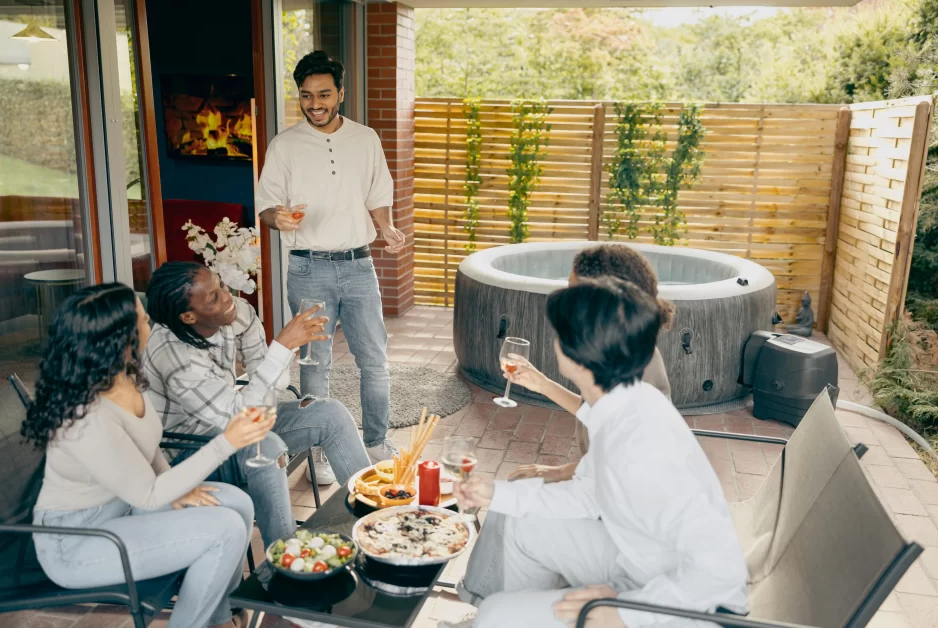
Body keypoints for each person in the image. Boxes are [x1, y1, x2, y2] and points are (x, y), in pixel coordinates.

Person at [450, 278, 748, 628]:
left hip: (686, 602)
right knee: (517, 524)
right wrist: (494, 493)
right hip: (639, 559)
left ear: (578, 354)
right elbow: (588, 494)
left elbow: (722, 572)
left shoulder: (641, 448)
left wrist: (623, 611)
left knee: (494, 616)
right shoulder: (625, 403)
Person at [23, 283, 272, 628]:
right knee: (224, 528)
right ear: (119, 340)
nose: (150, 326)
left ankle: (219, 615)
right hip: (78, 542)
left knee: (236, 503)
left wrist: (180, 487)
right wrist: (226, 442)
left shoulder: (122, 377)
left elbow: (148, 447)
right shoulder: (85, 418)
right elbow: (149, 493)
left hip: (124, 507)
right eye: (142, 321)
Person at [142, 262, 370, 550]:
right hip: (190, 451)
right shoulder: (174, 355)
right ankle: (284, 562)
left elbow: (270, 390)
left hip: (240, 422)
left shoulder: (237, 314)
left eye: (221, 285)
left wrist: (274, 363)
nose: (227, 298)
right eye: (213, 297)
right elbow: (237, 418)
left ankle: (374, 520)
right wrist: (283, 348)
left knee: (330, 413)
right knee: (267, 445)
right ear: (188, 316)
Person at [255, 50, 402, 470]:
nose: (314, 104)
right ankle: (319, 447)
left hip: (358, 265)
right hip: (308, 268)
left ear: (340, 92)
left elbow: (377, 195)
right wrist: (276, 217)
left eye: (323, 94)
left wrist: (386, 228)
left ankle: (376, 443)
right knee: (314, 363)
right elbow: (266, 206)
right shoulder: (284, 146)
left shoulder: (366, 138)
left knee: (373, 360)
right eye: (306, 96)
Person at [509, 243, 675, 483]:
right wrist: (542, 384)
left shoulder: (636, 367)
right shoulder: (614, 348)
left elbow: (637, 459)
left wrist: (560, 472)